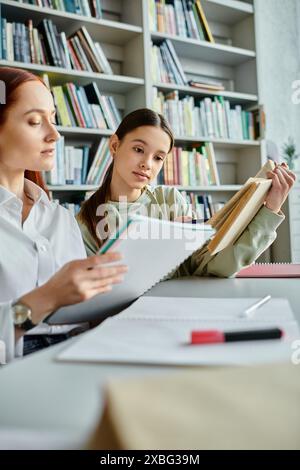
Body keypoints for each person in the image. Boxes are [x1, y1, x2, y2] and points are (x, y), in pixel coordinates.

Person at [0, 67, 127, 363]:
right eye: (35, 121)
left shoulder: (60, 218)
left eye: (53, 119)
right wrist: (46, 298)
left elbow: (82, 318)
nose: (55, 134)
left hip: (75, 354)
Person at [77, 108, 296, 278]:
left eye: (158, 157)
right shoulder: (85, 222)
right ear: (115, 145)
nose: (146, 164)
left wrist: (271, 209)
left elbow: (212, 267)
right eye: (138, 149)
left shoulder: (170, 200)